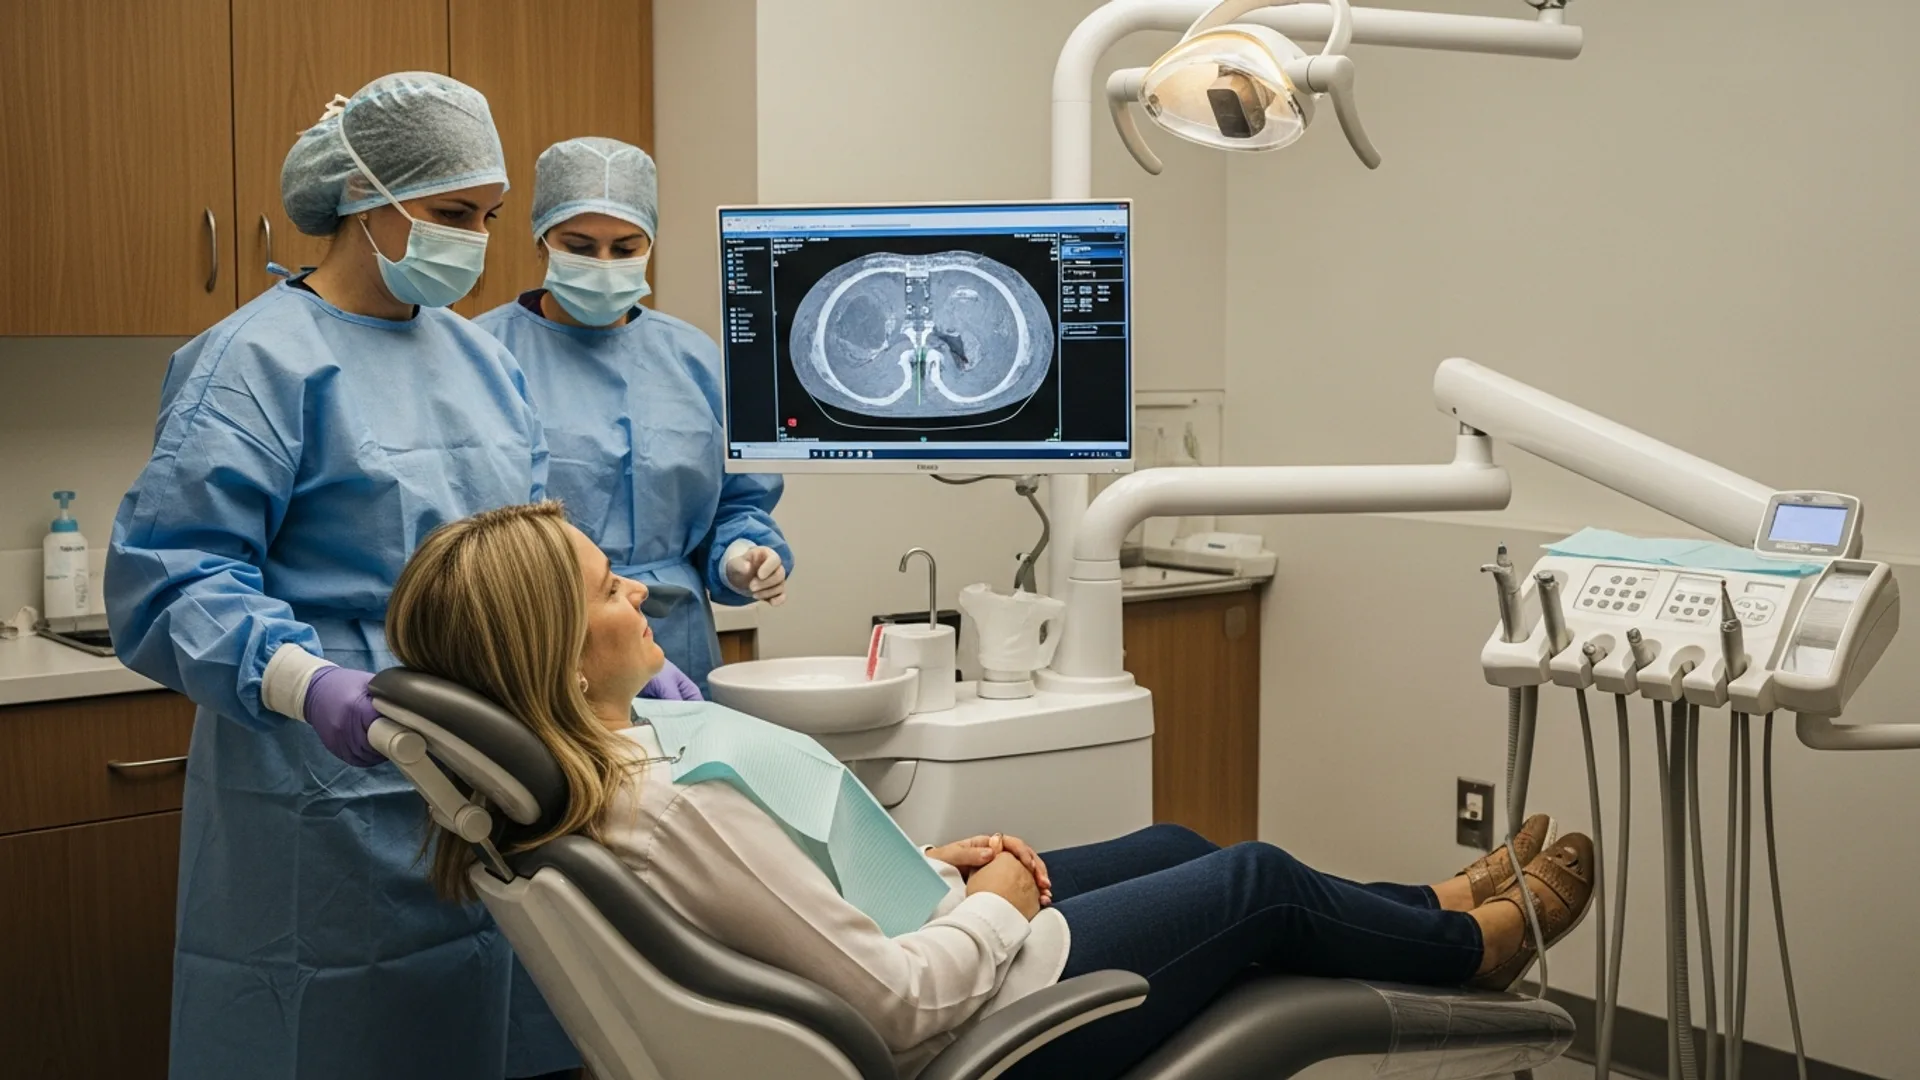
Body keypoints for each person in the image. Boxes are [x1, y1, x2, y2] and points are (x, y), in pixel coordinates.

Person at [384, 502, 1600, 1080]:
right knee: (1255, 882)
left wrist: (934, 875)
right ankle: (1473, 948)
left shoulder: (594, 791)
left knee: (1176, 836)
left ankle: (1436, 898)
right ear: (551, 650)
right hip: (965, 1031)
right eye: (607, 593)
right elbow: (895, 1002)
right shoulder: (668, 808)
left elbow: (798, 918)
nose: (639, 596)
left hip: (931, 954)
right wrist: (1003, 899)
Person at [105, 74, 574, 1079]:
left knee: (485, 1027)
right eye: (453, 214)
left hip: (485, 777)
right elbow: (170, 578)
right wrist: (302, 680)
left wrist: (586, 651)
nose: (477, 241)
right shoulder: (253, 362)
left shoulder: (486, 364)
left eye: (488, 218)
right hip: (320, 787)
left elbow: (532, 554)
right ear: (368, 199)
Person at [476, 137, 790, 697]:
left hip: (675, 638)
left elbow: (737, 500)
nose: (603, 264)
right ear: (543, 238)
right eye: (580, 245)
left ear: (650, 244)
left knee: (678, 781)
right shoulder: (483, 354)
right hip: (545, 643)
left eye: (625, 247)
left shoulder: (693, 358)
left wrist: (742, 556)